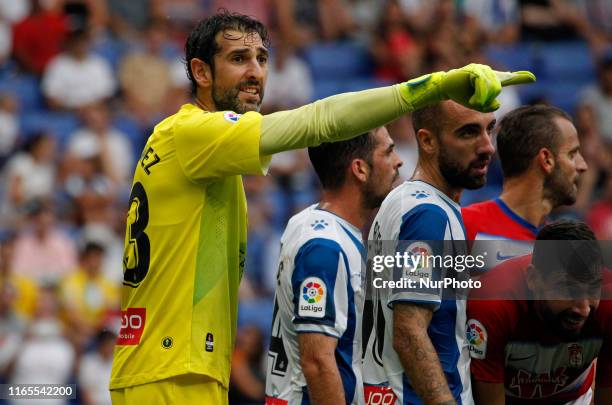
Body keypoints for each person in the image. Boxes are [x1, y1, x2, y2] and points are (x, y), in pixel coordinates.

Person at [108, 10, 535, 404]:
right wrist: (427, 88)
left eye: (261, 58)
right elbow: (375, 340)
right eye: (239, 58)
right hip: (172, 369)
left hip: (181, 367)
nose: (256, 71)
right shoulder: (410, 216)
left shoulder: (217, 163)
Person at [362, 99, 497, 404]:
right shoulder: (428, 214)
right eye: (468, 133)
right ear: (427, 140)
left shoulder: (406, 201)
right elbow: (409, 334)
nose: (488, 146)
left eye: (490, 129)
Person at [265, 127, 402, 404]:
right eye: (388, 151)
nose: (398, 161)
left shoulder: (307, 222)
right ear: (360, 169)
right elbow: (317, 361)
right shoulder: (326, 247)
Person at [467, 220, 612, 404]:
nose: (584, 309)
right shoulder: (493, 303)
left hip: (572, 397)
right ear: (533, 279)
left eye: (592, 289)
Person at [462, 105, 588, 268]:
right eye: (572, 154)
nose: (583, 165)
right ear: (546, 160)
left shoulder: (566, 249)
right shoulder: (462, 227)